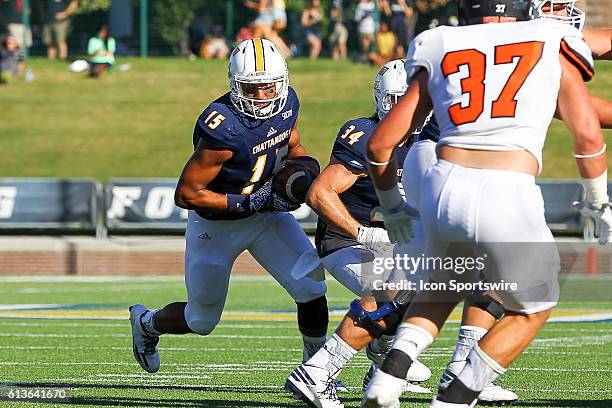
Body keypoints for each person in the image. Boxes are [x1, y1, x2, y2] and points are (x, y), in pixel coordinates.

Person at [362, 0, 609, 407]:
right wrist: (599, 204)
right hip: (507, 185)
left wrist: (391, 207)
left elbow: (380, 144)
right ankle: (455, 398)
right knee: (535, 304)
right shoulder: (548, 37)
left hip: (444, 183)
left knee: (445, 284)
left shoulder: (439, 41)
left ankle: (390, 376)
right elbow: (587, 134)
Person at [129, 38, 329, 376]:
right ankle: (147, 324)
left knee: (311, 287)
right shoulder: (224, 128)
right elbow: (187, 194)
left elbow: (293, 146)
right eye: (252, 89)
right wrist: (247, 201)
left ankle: (318, 370)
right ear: (235, 86)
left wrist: (305, 170)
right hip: (216, 226)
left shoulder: (288, 104)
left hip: (265, 218)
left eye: (269, 87)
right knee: (201, 319)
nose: (263, 98)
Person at [285, 60, 432, 408]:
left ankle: (381, 368)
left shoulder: (427, 140)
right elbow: (320, 193)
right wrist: (363, 233)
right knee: (400, 290)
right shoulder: (366, 134)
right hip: (347, 242)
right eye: (399, 99)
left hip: (395, 243)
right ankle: (323, 373)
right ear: (383, 100)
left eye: (413, 99)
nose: (407, 109)